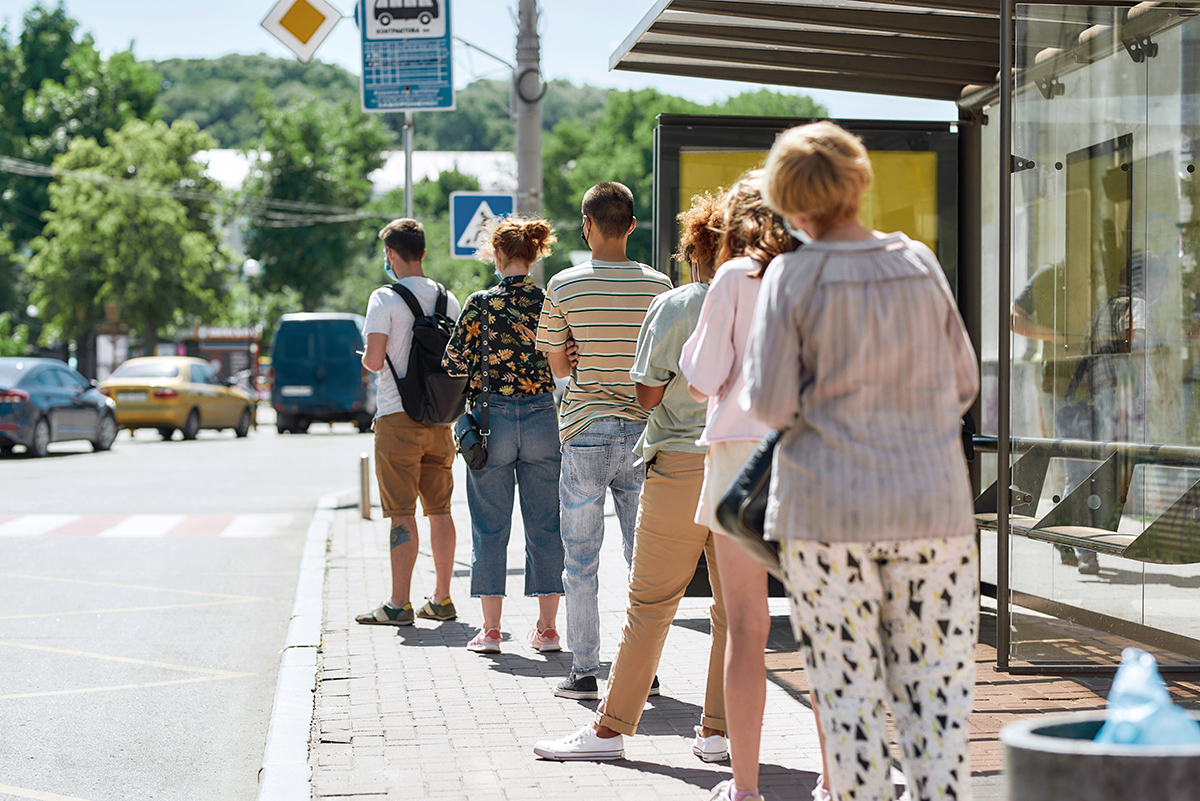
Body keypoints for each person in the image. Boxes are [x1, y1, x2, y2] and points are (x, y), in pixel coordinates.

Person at [745, 122, 979, 801]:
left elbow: (770, 401)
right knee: (936, 709)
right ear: (859, 180)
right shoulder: (918, 261)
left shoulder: (793, 274)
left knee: (850, 709)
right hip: (932, 506)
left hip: (826, 511)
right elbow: (963, 382)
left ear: (788, 200)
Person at [533, 193, 730, 761]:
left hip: (645, 446)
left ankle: (604, 714)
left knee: (626, 585)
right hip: (741, 465)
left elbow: (596, 374)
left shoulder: (666, 301)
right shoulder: (679, 291)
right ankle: (715, 733)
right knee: (729, 608)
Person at [680, 172, 831, 801]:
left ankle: (745, 788)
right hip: (816, 452)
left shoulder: (735, 276)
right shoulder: (820, 271)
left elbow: (702, 374)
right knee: (826, 627)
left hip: (741, 455)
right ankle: (834, 781)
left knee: (745, 630)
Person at [535, 181, 673, 700]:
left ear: (587, 224)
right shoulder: (659, 287)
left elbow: (554, 359)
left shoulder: (565, 285)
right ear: (632, 225)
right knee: (643, 560)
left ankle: (584, 671)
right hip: (643, 432)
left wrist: (577, 371)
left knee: (581, 559)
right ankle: (644, 672)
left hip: (586, 430)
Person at [442, 217, 565, 653]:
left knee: (490, 528)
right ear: (533, 255)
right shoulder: (549, 300)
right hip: (540, 418)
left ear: (497, 255)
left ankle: (491, 632)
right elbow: (563, 357)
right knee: (546, 527)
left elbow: (453, 362)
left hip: (491, 421)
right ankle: (547, 630)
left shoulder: (481, 303)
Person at [355, 218, 461, 626]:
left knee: (402, 514)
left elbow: (375, 359)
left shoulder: (383, 299)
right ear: (423, 253)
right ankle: (442, 599)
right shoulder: (448, 300)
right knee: (441, 511)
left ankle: (399, 604)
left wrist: (365, 357)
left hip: (398, 420)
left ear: (391, 255)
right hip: (440, 420)